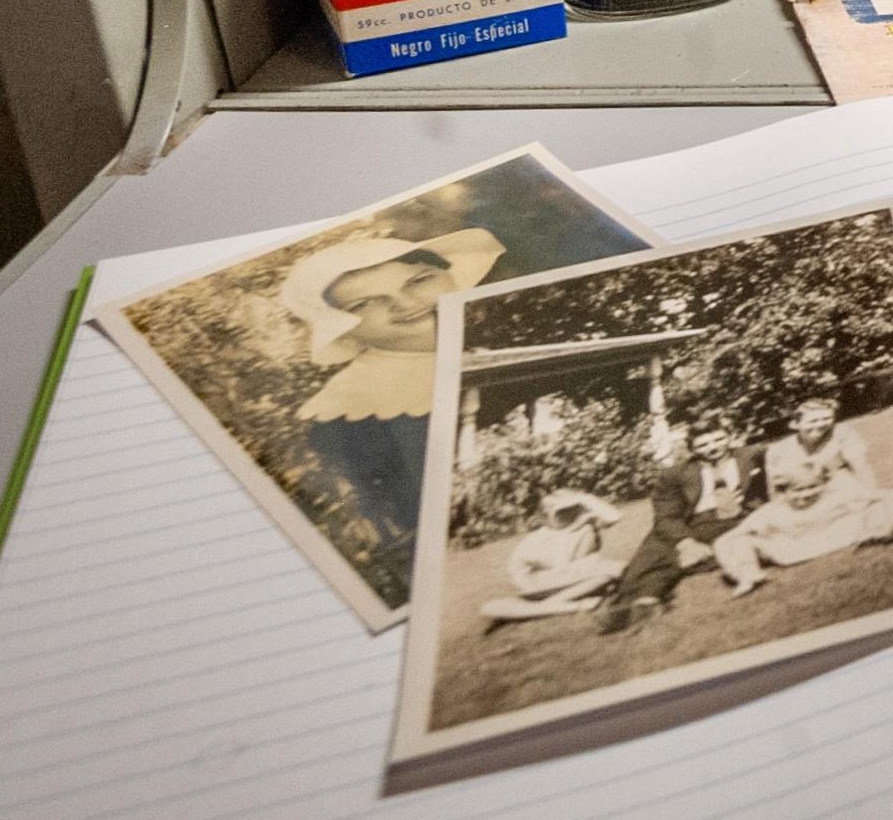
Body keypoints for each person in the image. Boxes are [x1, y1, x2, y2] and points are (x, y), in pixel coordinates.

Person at [277, 227, 506, 549]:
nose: (406, 303)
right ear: (344, 329)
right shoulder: (350, 410)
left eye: (418, 280)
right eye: (365, 303)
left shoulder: (490, 343)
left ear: (449, 277)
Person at [600, 420, 765, 628]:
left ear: (730, 437)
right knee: (654, 549)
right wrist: (686, 542)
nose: (713, 448)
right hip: (692, 521)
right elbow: (666, 515)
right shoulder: (674, 474)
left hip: (732, 520)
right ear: (692, 448)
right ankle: (633, 602)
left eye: (719, 440)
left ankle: (644, 599)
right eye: (703, 445)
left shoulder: (751, 456)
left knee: (675, 558)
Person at [731, 392, 893, 571]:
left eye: (826, 419)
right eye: (813, 421)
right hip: (802, 496)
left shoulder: (843, 434)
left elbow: (862, 467)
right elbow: (775, 490)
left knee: (859, 494)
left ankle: (872, 527)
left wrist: (870, 497)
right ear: (795, 424)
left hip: (839, 489)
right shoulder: (778, 450)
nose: (821, 425)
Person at [481, 489, 625, 623]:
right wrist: (594, 563)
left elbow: (614, 516)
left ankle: (541, 607)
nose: (567, 515)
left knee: (607, 573)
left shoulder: (583, 525)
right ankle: (564, 606)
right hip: (533, 582)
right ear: (547, 517)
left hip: (556, 577)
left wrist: (585, 498)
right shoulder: (546, 536)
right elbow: (562, 566)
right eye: (561, 512)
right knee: (612, 568)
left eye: (571, 509)